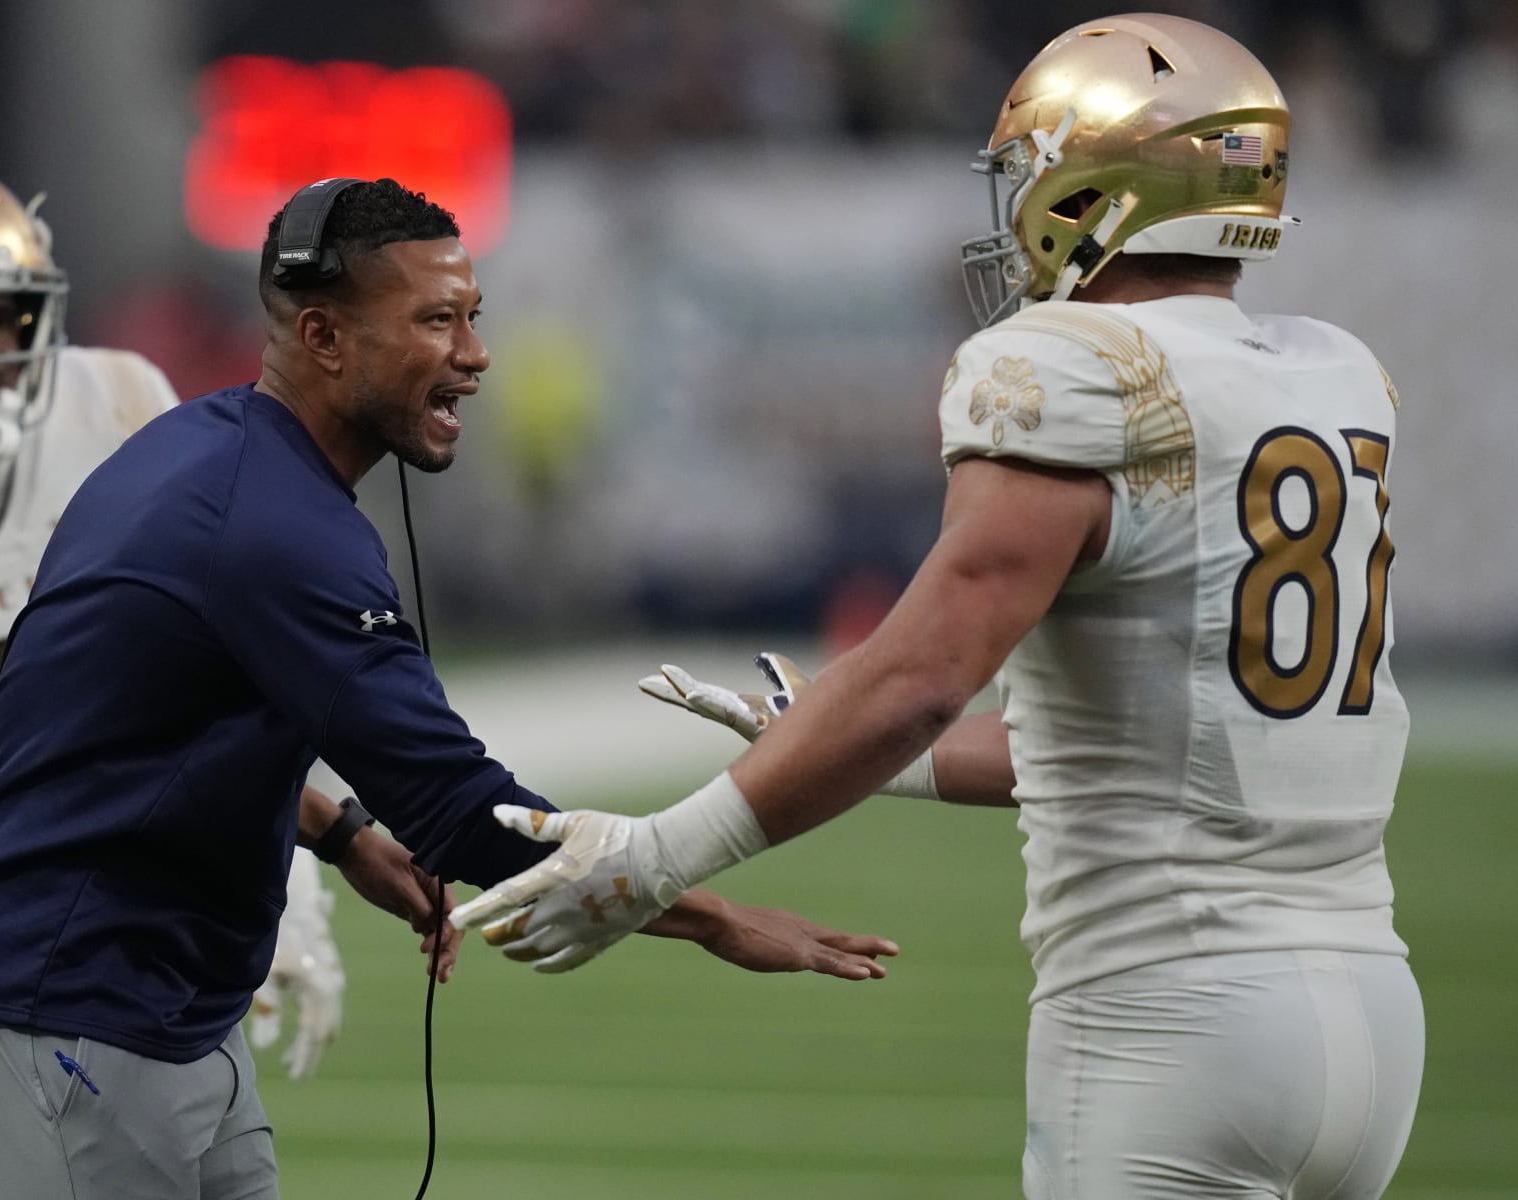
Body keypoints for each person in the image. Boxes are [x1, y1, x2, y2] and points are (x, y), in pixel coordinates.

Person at [452, 14, 1424, 1198]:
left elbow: (917, 678)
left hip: (1171, 1016)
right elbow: (1106, 745)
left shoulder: (1071, 365)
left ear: (1098, 186)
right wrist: (831, 738)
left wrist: (655, 859)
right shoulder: (1334, 374)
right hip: (1371, 1013)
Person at [0, 176, 896, 1198]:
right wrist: (708, 914)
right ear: (325, 337)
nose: (475, 352)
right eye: (436, 319)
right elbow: (462, 814)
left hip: (149, 1014)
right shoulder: (276, 525)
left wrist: (335, 830)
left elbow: (128, 723)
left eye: (472, 316)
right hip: (60, 1014)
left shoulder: (205, 455)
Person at [0, 154, 360, 1200]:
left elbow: (228, 687)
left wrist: (297, 888)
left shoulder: (120, 405)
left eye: (3, 316)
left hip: (104, 940)